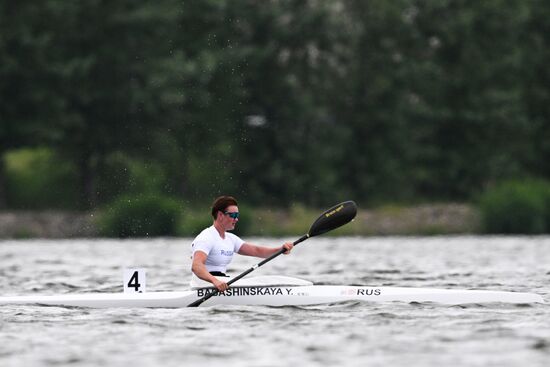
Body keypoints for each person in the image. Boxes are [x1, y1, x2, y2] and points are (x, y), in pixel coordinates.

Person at [191, 195, 293, 292]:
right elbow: (196, 266)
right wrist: (215, 281)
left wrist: (280, 250)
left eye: (237, 215)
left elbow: (257, 251)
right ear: (220, 215)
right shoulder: (206, 237)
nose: (236, 219)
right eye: (233, 215)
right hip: (204, 287)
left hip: (221, 284)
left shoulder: (231, 239)